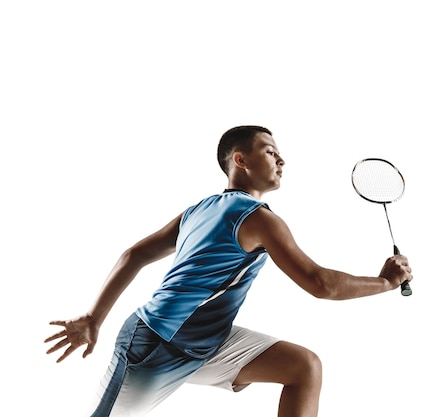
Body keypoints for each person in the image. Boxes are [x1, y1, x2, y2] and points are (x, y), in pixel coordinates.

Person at [45, 125, 413, 417]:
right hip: (155, 344)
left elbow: (133, 255)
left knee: (303, 367)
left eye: (281, 154)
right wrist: (384, 281)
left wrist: (95, 317)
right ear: (241, 160)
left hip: (208, 340)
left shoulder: (199, 209)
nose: (281, 160)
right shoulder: (259, 219)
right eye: (270, 152)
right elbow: (320, 284)